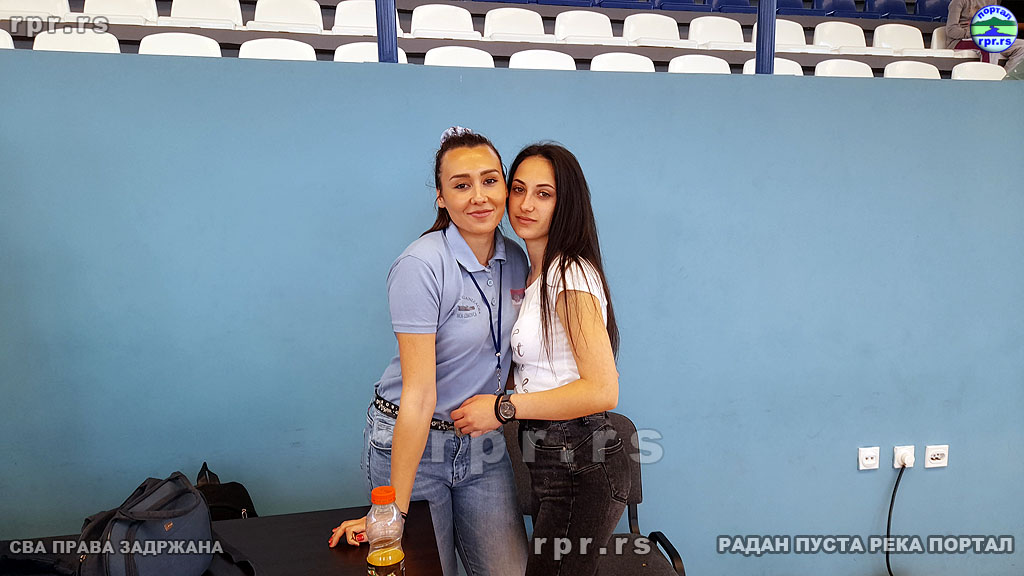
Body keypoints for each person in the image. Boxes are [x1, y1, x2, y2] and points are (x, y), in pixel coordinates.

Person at [329, 127, 529, 576]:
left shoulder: (517, 260)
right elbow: (419, 395)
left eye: (490, 180)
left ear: (505, 187)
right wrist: (392, 514)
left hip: (481, 442)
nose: (478, 196)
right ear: (441, 197)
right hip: (414, 441)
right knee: (425, 569)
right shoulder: (420, 265)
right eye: (461, 185)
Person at [452, 143, 629, 576]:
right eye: (518, 189)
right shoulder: (534, 274)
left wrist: (502, 408)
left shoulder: (568, 273)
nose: (526, 204)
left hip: (582, 460)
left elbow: (603, 389)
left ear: (566, 203)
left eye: (544, 194)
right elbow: (542, 372)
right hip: (554, 456)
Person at [946, 0, 1024, 72]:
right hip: (959, 41)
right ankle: (989, 78)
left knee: (1022, 46)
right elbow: (951, 31)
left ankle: (1005, 78)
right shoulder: (958, 1)